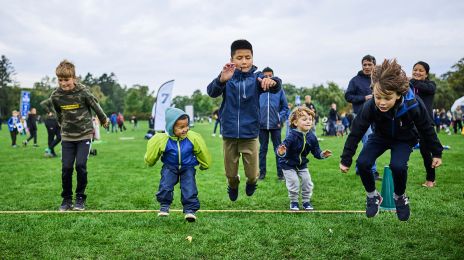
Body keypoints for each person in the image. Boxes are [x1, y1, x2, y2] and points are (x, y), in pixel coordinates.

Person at [340, 59, 443, 221]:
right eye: (378, 97)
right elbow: (356, 131)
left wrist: (437, 152)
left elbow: (427, 128)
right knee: (363, 163)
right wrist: (346, 158)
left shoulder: (413, 104)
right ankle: (372, 196)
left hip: (405, 139)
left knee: (398, 166)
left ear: (398, 95)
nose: (381, 102)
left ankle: (400, 197)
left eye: (387, 98)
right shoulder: (370, 106)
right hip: (380, 136)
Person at [207, 39, 282, 201]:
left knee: (253, 174)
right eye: (239, 58)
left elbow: (276, 85)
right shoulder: (227, 77)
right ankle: (233, 185)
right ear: (232, 59)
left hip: (250, 134)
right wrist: (221, 79)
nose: (244, 61)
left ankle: (251, 182)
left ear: (253, 58)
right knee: (231, 174)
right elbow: (211, 92)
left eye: (248, 57)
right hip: (229, 133)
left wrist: (273, 82)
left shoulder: (257, 79)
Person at [50, 60, 109, 211]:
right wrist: (62, 125)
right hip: (68, 136)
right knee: (66, 168)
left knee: (81, 165)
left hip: (84, 134)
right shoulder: (56, 96)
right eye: (60, 80)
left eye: (67, 79)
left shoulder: (83, 92)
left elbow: (95, 105)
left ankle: (80, 198)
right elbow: (58, 113)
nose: (64, 83)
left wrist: (103, 119)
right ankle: (66, 199)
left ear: (74, 78)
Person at [144, 107, 211, 222]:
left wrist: (205, 164)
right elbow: (152, 153)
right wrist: (150, 161)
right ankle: (164, 207)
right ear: (171, 127)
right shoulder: (162, 139)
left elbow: (202, 151)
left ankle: (190, 211)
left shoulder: (193, 138)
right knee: (165, 186)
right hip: (170, 167)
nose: (185, 129)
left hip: (188, 167)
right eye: (181, 127)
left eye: (186, 126)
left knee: (189, 188)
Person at [277, 107, 332, 210]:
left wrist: (322, 154)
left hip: (302, 164)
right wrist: (281, 151)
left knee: (307, 182)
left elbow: (316, 150)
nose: (308, 121)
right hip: (288, 164)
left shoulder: (312, 136)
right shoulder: (291, 136)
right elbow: (283, 147)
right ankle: (294, 202)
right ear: (295, 122)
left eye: (310, 119)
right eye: (304, 119)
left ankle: (306, 202)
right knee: (294, 182)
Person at [345, 54, 381, 180]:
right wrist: (364, 98)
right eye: (364, 64)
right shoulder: (355, 80)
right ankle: (372, 171)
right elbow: (348, 96)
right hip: (360, 115)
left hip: (377, 115)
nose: (367, 67)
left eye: (369, 64)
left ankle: (360, 168)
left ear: (374, 65)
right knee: (369, 141)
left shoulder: (378, 80)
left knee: (370, 142)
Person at [410, 61, 438, 188]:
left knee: (426, 152)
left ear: (426, 74)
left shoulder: (430, 85)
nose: (417, 72)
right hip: (410, 122)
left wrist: (410, 80)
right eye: (415, 69)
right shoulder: (409, 85)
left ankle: (431, 179)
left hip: (425, 123)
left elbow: (427, 88)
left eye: (421, 70)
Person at [258, 67, 289, 180]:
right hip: (261, 125)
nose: (268, 78)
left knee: (279, 149)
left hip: (276, 125)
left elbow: (285, 108)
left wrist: (279, 119)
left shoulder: (279, 90)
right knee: (262, 150)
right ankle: (261, 174)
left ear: (273, 76)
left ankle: (281, 174)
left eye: (270, 75)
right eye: (265, 76)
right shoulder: (259, 90)